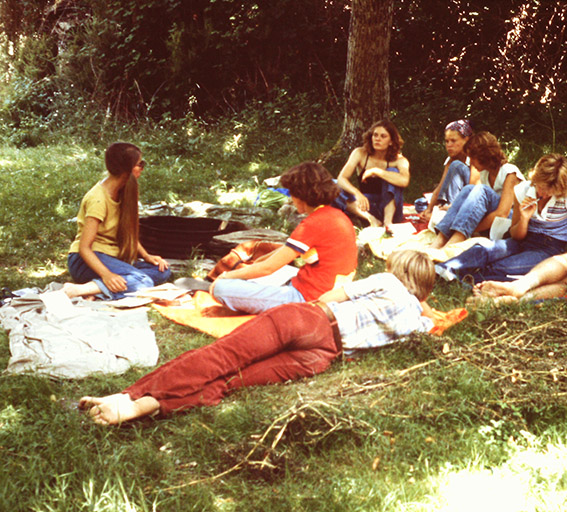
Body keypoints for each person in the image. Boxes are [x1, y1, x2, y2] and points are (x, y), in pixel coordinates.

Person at [78, 250, 436, 425]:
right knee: (232, 380)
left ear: (400, 271)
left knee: (224, 355)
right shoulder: (418, 320)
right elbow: (426, 326)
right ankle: (147, 406)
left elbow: (331, 298)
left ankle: (129, 396)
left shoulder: (388, 282)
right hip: (325, 356)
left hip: (312, 320)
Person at [211, 162, 357, 314]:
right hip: (331, 292)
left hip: (309, 300)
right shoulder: (338, 216)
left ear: (300, 196)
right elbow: (283, 253)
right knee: (260, 273)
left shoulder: (312, 224)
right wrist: (257, 263)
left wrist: (225, 276)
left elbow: (267, 268)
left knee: (221, 289)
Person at [435, 154, 567, 283]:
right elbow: (516, 236)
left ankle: (467, 282)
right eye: (540, 187)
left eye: (549, 192)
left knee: (502, 267)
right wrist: (525, 218)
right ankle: (441, 271)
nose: (541, 194)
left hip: (549, 248)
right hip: (524, 239)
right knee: (483, 249)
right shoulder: (523, 190)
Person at [64, 142, 170, 300]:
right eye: (140, 164)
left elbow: (127, 232)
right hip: (86, 259)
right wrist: (107, 275)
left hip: (113, 257)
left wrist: (147, 257)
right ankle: (77, 290)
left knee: (162, 271)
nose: (142, 168)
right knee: (143, 282)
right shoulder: (98, 199)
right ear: (128, 169)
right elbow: (84, 248)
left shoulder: (124, 191)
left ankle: (95, 289)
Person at [429, 132, 524, 249]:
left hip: (513, 225)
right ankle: (441, 239)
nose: (471, 162)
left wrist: (469, 228)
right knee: (469, 188)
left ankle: (456, 239)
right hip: (494, 223)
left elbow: (502, 213)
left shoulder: (510, 172)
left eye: (472, 158)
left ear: (483, 156)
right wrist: (454, 208)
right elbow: (474, 200)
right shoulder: (485, 173)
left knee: (481, 189)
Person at [335, 120, 410, 228]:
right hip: (366, 207)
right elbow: (342, 178)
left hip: (391, 210)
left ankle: (387, 224)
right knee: (332, 185)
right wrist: (357, 193)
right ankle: (372, 220)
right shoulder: (360, 153)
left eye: (383, 136)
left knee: (393, 172)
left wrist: (376, 171)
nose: (377, 139)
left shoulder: (400, 160)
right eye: (375, 135)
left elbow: (404, 181)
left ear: (391, 141)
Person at [420, 119, 479, 223]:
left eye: (453, 141)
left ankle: (446, 214)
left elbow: (472, 192)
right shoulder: (451, 159)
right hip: (454, 198)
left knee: (456, 166)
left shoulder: (475, 157)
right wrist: (428, 210)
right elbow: (441, 186)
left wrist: (451, 207)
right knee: (419, 204)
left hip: (470, 201)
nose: (449, 145)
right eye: (447, 141)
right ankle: (441, 211)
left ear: (466, 139)